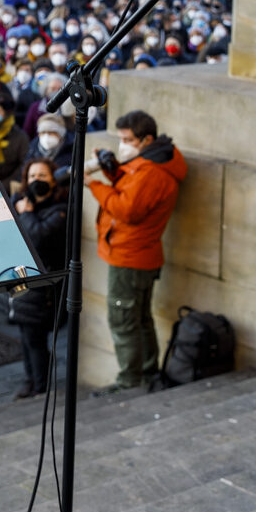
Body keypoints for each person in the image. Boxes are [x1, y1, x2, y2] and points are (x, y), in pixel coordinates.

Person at [85, 109, 184, 395]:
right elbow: (131, 189)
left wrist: (93, 184)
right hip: (137, 254)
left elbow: (128, 209)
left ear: (146, 139)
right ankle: (147, 371)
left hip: (130, 256)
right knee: (139, 318)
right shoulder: (151, 161)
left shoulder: (153, 171)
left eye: (127, 139)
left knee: (124, 320)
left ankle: (131, 380)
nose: (123, 144)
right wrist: (111, 169)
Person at [9, 155, 67, 399]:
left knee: (35, 338)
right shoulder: (20, 203)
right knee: (25, 336)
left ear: (53, 181)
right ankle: (30, 379)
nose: (37, 180)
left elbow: (39, 238)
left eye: (42, 175)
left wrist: (27, 214)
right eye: (32, 176)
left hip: (43, 288)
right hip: (21, 282)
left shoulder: (61, 210)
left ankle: (39, 385)